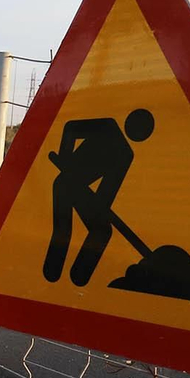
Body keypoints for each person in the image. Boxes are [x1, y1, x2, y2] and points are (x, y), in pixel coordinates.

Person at [43, 109, 155, 287]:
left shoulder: (126, 154)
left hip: (81, 191)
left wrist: (100, 206)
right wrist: (65, 156)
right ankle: (51, 274)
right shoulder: (107, 126)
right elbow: (71, 128)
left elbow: (107, 192)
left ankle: (78, 279)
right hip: (64, 184)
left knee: (102, 230)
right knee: (63, 228)